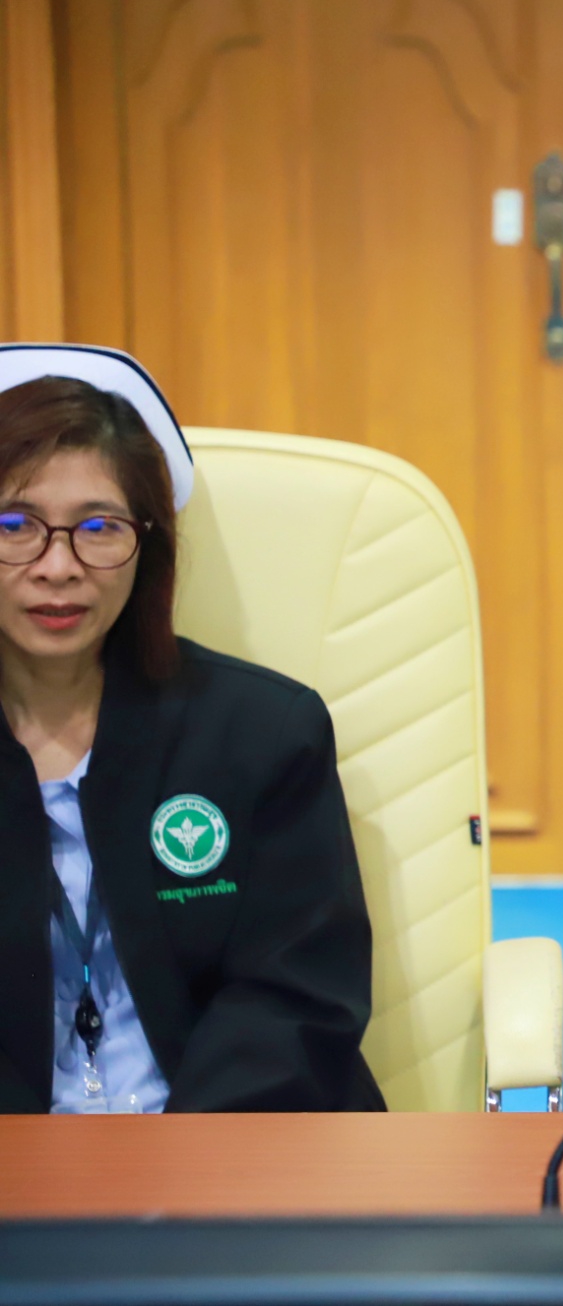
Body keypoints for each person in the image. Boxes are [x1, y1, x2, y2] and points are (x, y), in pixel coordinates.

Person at [0, 345, 380, 1114]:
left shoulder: (264, 733)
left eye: (98, 526)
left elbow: (298, 996)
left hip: (235, 1148)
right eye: (15, 524)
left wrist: (178, 1157)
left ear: (148, 545)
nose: (58, 566)